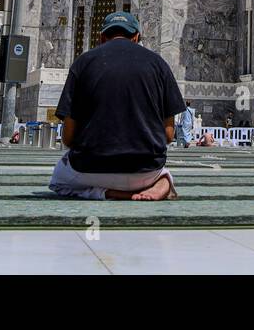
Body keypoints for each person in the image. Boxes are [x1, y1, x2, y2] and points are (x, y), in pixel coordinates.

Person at [49, 11, 185, 201]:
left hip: (90, 168)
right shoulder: (159, 64)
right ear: (136, 36)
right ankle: (163, 181)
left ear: (102, 37)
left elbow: (68, 137)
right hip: (145, 171)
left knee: (58, 181)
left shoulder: (83, 63)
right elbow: (168, 136)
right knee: (162, 171)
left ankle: (110, 193)